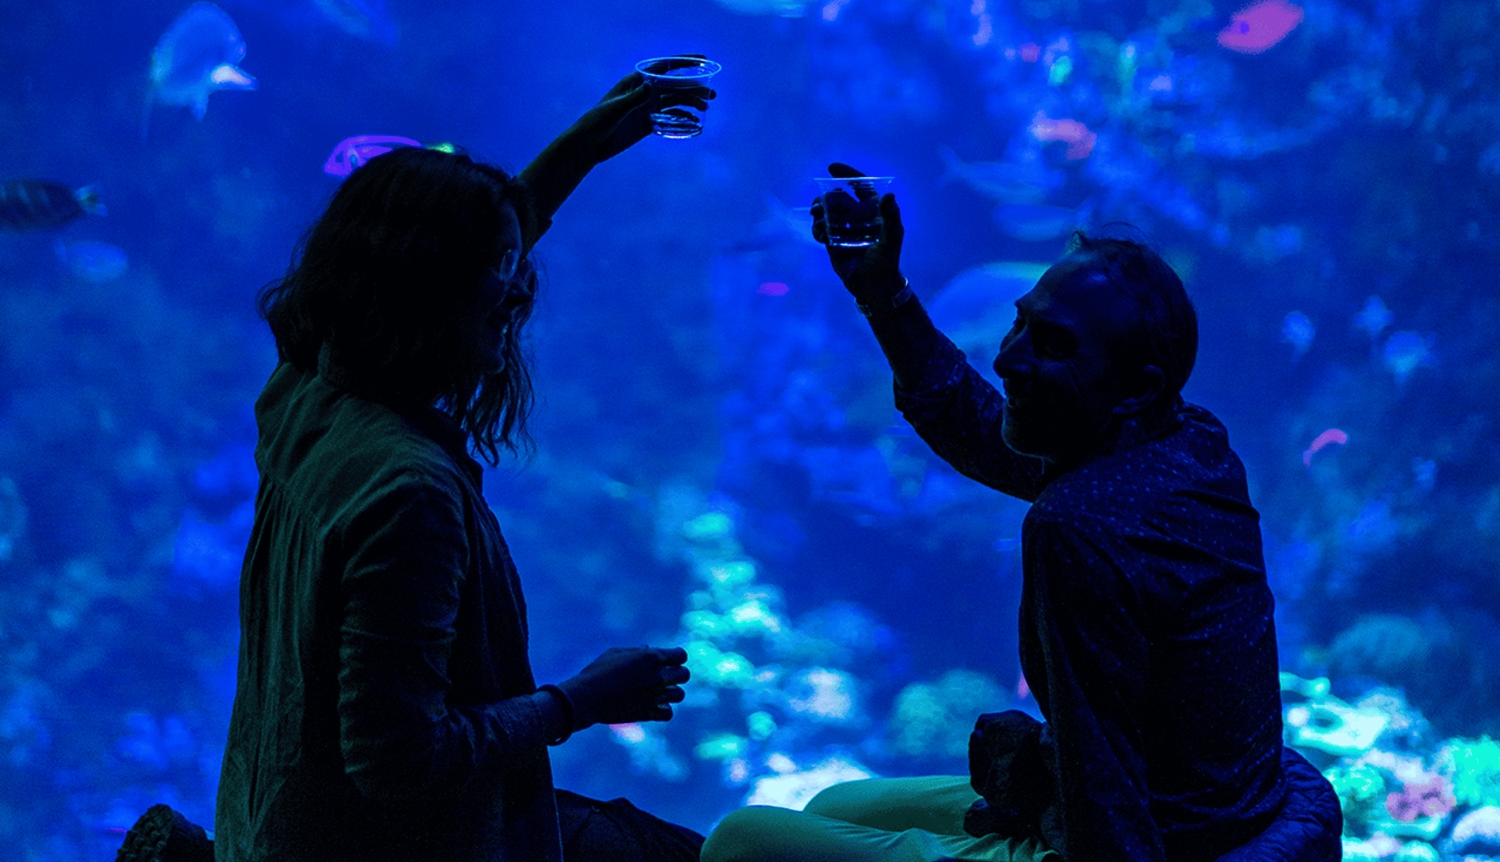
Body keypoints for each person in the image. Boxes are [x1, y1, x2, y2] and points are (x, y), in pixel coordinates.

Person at [120, 69, 712, 862]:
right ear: (432, 295)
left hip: (284, 824)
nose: (517, 294)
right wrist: (582, 698)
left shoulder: (303, 396)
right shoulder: (408, 491)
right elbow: (400, 757)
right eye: (500, 271)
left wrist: (584, 149)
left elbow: (445, 250)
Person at [701, 165, 1342, 862]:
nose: (1008, 359)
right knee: (834, 803)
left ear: (1136, 388)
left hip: (1155, 843)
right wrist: (882, 290)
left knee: (740, 842)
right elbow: (983, 430)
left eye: (1053, 345)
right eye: (1020, 323)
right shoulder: (1187, 441)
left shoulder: (1076, 525)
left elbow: (1103, 781)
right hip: (1219, 805)